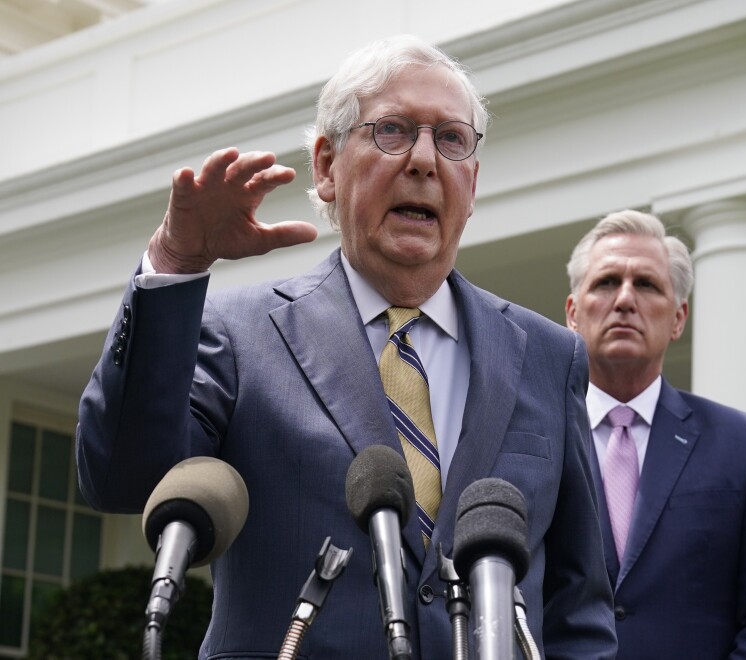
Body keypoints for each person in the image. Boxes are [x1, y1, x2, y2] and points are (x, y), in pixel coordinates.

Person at [76, 35, 617, 659]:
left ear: (472, 181)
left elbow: (579, 606)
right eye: (391, 131)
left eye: (450, 139)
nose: (423, 160)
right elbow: (121, 477)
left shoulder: (552, 356)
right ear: (327, 167)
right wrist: (176, 260)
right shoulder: (238, 332)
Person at [564, 209, 746, 659]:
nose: (624, 299)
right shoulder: (534, 438)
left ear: (678, 318)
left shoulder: (743, 446)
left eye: (647, 284)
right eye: (606, 282)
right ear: (573, 314)